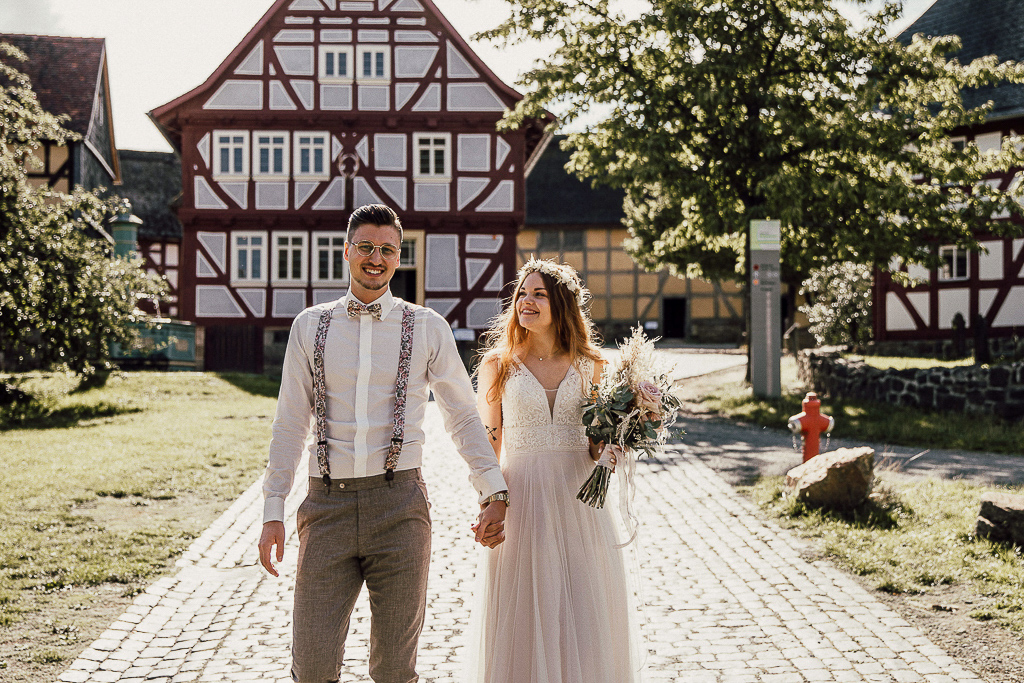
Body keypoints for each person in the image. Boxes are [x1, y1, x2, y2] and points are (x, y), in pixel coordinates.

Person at [257, 204, 510, 683]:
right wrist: (274, 508)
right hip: (326, 506)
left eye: (388, 250)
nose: (377, 258)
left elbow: (462, 415)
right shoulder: (308, 326)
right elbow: (290, 422)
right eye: (367, 248)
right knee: (311, 668)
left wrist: (492, 489)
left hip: (400, 507)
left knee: (395, 670)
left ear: (398, 258)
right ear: (347, 251)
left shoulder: (428, 326)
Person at [466, 258, 641, 683]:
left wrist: (616, 442)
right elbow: (487, 445)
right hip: (521, 497)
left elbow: (597, 437)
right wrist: (492, 501)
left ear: (561, 304)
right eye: (522, 294)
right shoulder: (498, 364)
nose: (526, 302)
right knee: (526, 607)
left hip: (580, 500)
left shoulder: (592, 364)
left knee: (584, 605)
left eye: (538, 294)